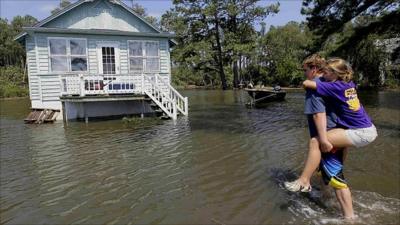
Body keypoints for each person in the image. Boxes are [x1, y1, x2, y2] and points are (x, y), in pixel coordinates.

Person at [285, 57, 378, 219]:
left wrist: (323, 140)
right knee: (327, 178)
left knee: (336, 179)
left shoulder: (323, 88)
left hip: (351, 133)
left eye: (305, 70)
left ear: (314, 69)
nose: (304, 74)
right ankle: (326, 200)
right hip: (355, 130)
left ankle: (349, 218)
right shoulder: (346, 84)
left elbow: (318, 114)